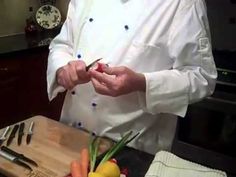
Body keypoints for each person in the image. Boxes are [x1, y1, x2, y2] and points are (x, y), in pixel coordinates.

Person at [47, 0, 217, 154]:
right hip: (71, 135)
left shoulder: (182, 3)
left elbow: (201, 76)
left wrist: (142, 83)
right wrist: (63, 69)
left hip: (130, 147)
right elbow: (62, 45)